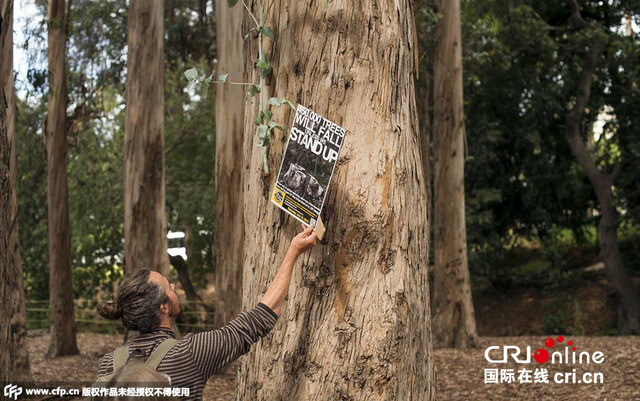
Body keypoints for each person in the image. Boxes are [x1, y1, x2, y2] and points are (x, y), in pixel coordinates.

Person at [96, 225, 317, 400]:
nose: (174, 287)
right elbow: (257, 320)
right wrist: (292, 253)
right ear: (162, 307)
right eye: (168, 286)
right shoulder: (189, 353)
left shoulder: (108, 363)